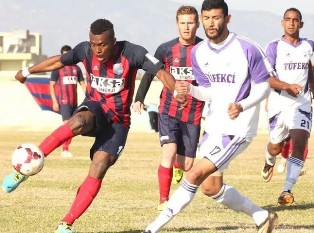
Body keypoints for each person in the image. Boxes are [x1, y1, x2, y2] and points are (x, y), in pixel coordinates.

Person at [1, 18, 187, 233]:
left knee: (99, 166)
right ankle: (27, 166)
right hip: (95, 106)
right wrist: (27, 71)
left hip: (118, 122)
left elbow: (161, 72)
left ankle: (66, 223)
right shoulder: (84, 50)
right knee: (79, 120)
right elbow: (59, 61)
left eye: (103, 44)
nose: (98, 49)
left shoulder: (133, 53)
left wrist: (176, 91)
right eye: (94, 44)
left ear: (114, 41)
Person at [142, 0, 278, 232]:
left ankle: (152, 228)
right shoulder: (200, 52)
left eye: (216, 18)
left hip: (237, 128)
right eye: (206, 18)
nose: (210, 23)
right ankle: (262, 216)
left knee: (193, 173)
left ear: (227, 18)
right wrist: (190, 90)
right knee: (211, 188)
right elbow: (208, 91)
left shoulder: (247, 48)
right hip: (213, 126)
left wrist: (242, 106)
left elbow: (263, 85)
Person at [132, 5, 204, 211]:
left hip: (193, 112)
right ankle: (163, 201)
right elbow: (149, 72)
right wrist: (139, 98)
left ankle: (177, 168)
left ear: (197, 24)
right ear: (177, 24)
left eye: (191, 22)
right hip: (168, 109)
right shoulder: (165, 49)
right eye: (183, 23)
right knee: (169, 151)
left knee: (187, 164)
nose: (187, 27)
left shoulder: (205, 49)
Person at [261, 7, 314, 205]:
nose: (292, 23)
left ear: (301, 24)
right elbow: (268, 78)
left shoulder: (309, 45)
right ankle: (268, 161)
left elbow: (310, 68)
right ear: (283, 23)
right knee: (276, 147)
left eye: (296, 20)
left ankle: (287, 190)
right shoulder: (274, 47)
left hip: (302, 102)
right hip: (279, 102)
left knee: (300, 142)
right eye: (288, 19)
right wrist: (287, 87)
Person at [50, 45, 86, 157]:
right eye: (65, 54)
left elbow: (82, 84)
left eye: (68, 54)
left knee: (73, 126)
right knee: (67, 125)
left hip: (74, 102)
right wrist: (55, 101)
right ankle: (64, 149)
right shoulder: (58, 69)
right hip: (64, 102)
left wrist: (89, 95)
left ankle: (63, 147)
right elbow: (52, 85)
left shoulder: (76, 68)